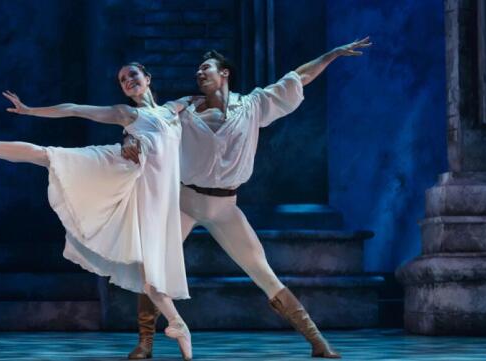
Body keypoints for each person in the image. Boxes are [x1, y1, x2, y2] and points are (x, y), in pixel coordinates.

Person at [122, 37, 372, 359]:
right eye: (198, 69)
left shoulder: (253, 105)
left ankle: (317, 341)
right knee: (154, 267)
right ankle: (145, 343)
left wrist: (332, 54)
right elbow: (147, 121)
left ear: (224, 73)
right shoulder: (184, 110)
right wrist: (129, 140)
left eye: (206, 67)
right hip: (184, 201)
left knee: (262, 271)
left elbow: (297, 78)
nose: (200, 72)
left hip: (225, 207)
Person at [0, 63, 193, 360]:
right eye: (122, 79)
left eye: (133, 75)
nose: (128, 81)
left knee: (152, 278)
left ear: (148, 78)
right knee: (48, 156)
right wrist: (31, 110)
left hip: (159, 200)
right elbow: (74, 108)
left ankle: (178, 326)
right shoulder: (128, 113)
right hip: (124, 174)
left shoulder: (175, 108)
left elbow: (201, 101)